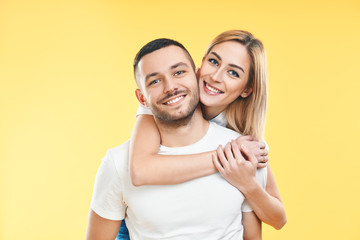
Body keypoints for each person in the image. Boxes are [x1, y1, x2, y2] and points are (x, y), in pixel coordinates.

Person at [86, 38, 268, 240]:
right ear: (142, 98)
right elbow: (140, 171)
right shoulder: (118, 163)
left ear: (196, 75)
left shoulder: (246, 150)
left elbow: (273, 220)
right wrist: (226, 156)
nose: (170, 87)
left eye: (179, 72)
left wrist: (240, 164)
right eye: (154, 81)